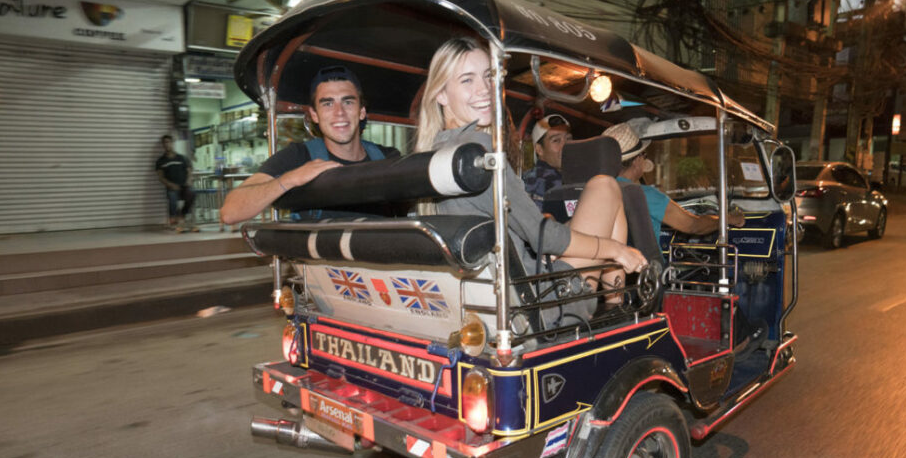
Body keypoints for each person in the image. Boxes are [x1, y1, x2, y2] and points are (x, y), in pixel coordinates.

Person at [414, 37, 647, 315]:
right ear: (440, 94)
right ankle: (614, 308)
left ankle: (613, 308)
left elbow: (525, 233)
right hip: (542, 305)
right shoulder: (479, 151)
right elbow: (541, 235)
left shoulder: (433, 154)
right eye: (466, 80)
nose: (485, 89)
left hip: (499, 295)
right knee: (605, 186)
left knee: (599, 201)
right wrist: (616, 251)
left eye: (489, 76)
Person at [220, 66, 401, 224]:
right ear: (314, 115)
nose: (339, 113)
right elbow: (230, 213)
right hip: (320, 262)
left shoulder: (387, 158)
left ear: (361, 112)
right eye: (328, 104)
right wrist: (289, 179)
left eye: (348, 102)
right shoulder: (298, 157)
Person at [603, 122, 745, 244]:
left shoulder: (600, 190)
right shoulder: (644, 195)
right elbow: (693, 225)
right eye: (644, 155)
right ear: (637, 160)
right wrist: (729, 219)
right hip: (648, 272)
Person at [522, 114, 572, 208]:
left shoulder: (571, 179)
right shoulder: (540, 182)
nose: (566, 145)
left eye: (568, 139)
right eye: (556, 140)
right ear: (539, 149)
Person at [155, 134, 198, 232]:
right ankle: (174, 220)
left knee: (192, 193)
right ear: (163, 145)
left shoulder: (181, 158)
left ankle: (182, 215)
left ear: (172, 143)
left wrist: (188, 180)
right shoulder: (161, 161)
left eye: (169, 142)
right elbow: (161, 178)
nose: (167, 145)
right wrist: (171, 185)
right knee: (172, 197)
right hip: (172, 187)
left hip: (184, 186)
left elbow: (189, 171)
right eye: (165, 143)